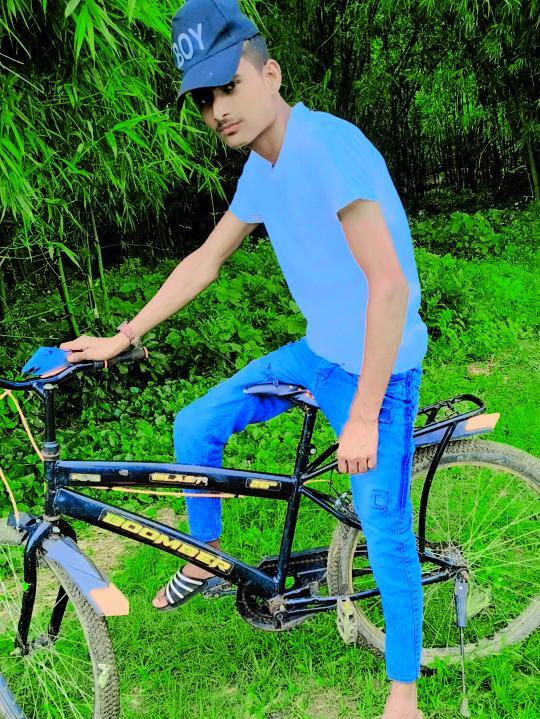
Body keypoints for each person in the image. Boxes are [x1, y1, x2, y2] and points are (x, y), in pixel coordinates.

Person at [62, 1, 428, 717]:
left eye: (229, 87)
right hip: (318, 354)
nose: (218, 111)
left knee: (383, 528)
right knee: (195, 424)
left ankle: (404, 697)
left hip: (377, 371)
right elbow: (206, 260)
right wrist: (123, 335)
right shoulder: (263, 167)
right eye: (204, 100)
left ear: (271, 74)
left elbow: (389, 287)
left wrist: (361, 417)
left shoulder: (325, 147)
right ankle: (206, 556)